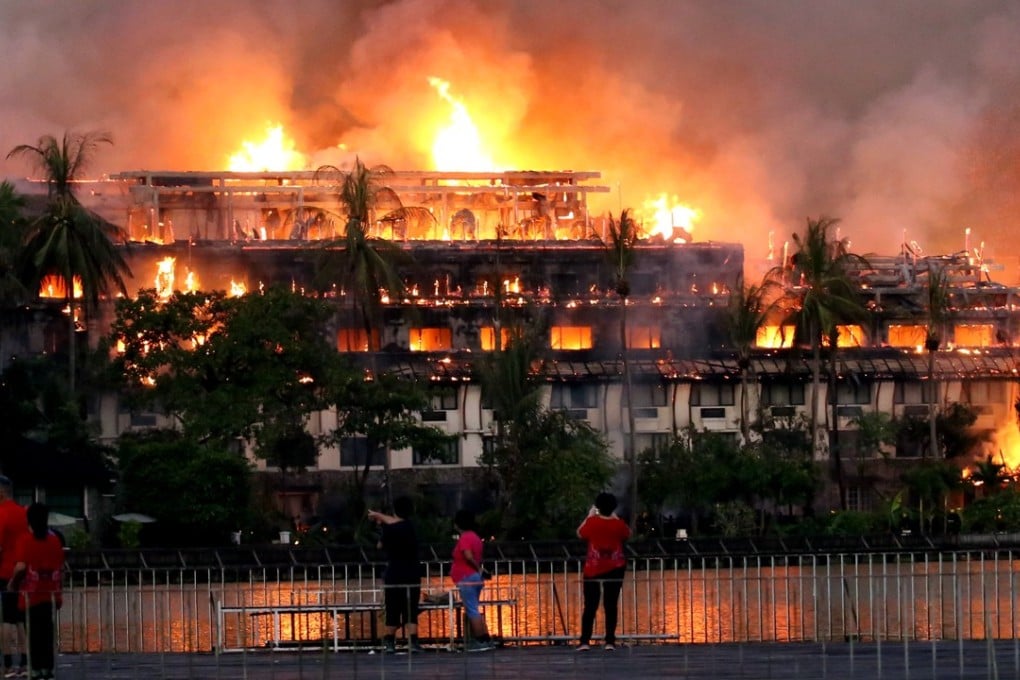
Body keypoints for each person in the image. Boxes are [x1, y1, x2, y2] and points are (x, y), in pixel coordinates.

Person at [8, 503, 63, 680]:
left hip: (31, 594)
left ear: (28, 520)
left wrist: (12, 584)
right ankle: (48, 668)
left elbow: (20, 567)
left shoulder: (24, 540)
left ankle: (35, 668)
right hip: (51, 593)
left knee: (33, 633)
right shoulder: (55, 541)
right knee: (47, 632)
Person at [367, 497, 423, 654]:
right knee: (411, 608)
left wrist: (379, 517)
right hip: (412, 572)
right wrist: (381, 517)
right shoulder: (411, 527)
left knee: (392, 608)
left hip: (394, 573)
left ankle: (390, 642)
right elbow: (399, 524)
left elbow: (379, 546)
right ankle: (413, 641)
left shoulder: (391, 529)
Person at [576, 492, 631, 651]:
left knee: (590, 606)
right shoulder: (618, 524)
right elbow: (628, 533)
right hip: (616, 567)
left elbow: (580, 533)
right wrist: (614, 517)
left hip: (593, 567)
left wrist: (588, 516)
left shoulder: (592, 522)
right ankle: (609, 641)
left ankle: (585, 641)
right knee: (611, 604)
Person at [451, 509, 493, 652]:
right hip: (474, 578)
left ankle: (480, 640)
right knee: (474, 607)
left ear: (458, 524)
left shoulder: (465, 538)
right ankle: (485, 638)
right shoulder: (475, 537)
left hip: (467, 578)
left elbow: (468, 556)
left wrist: (478, 568)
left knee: (472, 609)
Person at [0, 476, 27, 677]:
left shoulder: (2, 514)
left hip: (5, 572)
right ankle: (25, 661)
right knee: (20, 619)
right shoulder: (23, 513)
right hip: (23, 571)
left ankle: (8, 663)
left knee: (5, 620)